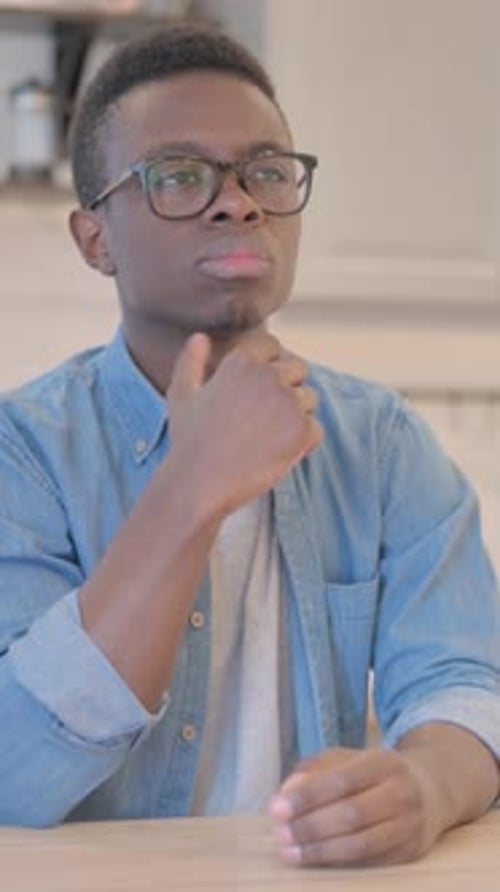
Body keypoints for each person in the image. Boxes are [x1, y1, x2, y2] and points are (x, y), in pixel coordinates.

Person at [0, 22, 499, 868]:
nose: (239, 201)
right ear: (96, 241)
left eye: (266, 170)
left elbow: (465, 687)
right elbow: (15, 770)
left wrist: (426, 786)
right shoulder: (24, 454)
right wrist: (192, 486)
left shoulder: (381, 442)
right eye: (179, 177)